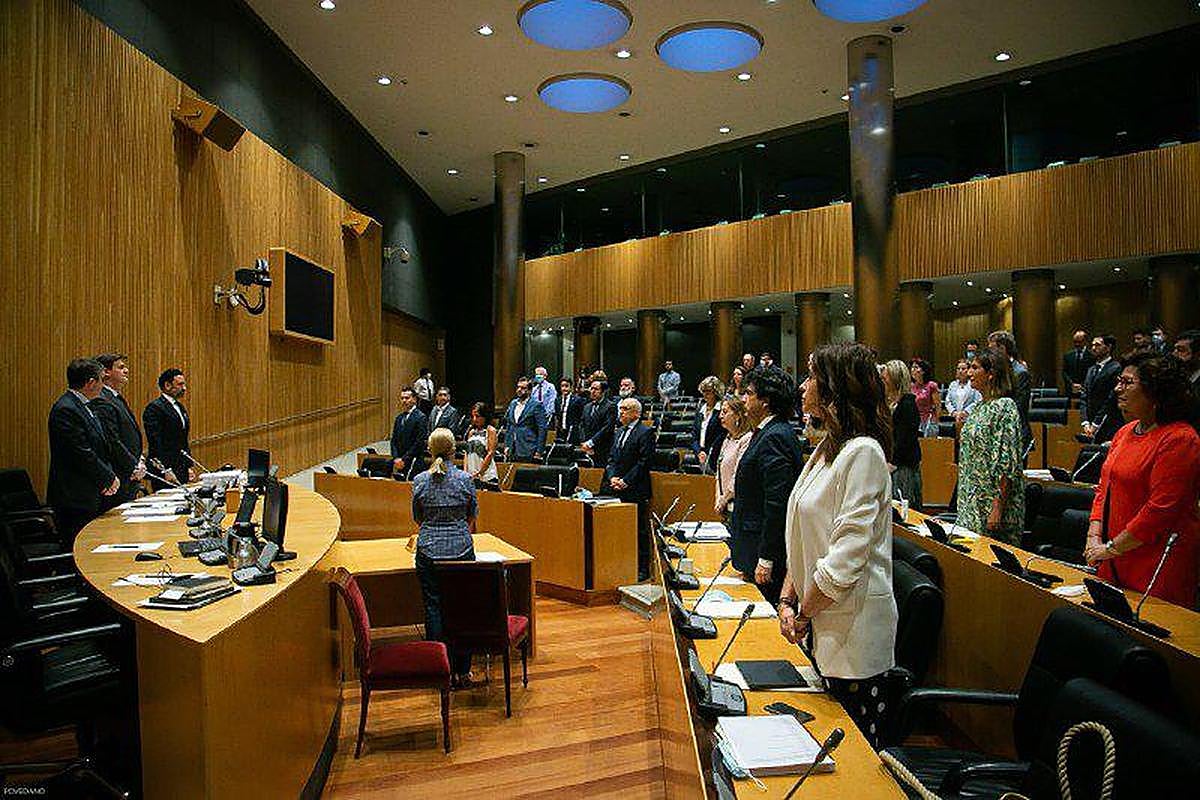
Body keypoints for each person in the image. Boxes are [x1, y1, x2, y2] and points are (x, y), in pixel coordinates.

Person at [778, 343, 896, 749]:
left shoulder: (864, 453)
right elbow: (803, 535)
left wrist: (802, 614)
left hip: (853, 636)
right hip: (820, 618)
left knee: (851, 762)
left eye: (812, 377)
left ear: (834, 388)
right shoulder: (828, 447)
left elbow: (844, 560)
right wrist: (787, 598)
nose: (803, 386)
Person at [1083, 353, 1199, 606]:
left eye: (1127, 382)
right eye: (1119, 381)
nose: (1118, 389)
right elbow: (1104, 489)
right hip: (1113, 555)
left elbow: (1161, 509)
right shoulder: (1125, 432)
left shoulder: (1180, 438)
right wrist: (1094, 538)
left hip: (1156, 562)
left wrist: (1111, 547)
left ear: (1155, 392)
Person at [730, 367, 805, 603]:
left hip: (765, 554)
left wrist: (766, 557)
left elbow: (777, 503)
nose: (743, 399)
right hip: (752, 546)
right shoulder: (766, 432)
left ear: (766, 401)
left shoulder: (775, 436)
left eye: (749, 393)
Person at [411, 428, 478, 685]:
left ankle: (439, 670)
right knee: (463, 607)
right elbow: (472, 515)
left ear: (430, 451)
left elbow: (417, 518)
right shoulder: (465, 479)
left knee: (433, 607)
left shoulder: (419, 481)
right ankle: (463, 670)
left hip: (428, 550)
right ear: (453, 451)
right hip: (461, 549)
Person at [956, 348, 1026, 544]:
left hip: (992, 503)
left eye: (975, 368)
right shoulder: (979, 407)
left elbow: (1007, 463)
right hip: (971, 498)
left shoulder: (1005, 407)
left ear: (991, 373)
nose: (969, 373)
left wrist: (997, 507)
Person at [47, 358, 119, 541]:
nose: (103, 385)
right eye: (102, 380)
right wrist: (108, 477)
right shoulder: (66, 409)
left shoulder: (83, 405)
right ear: (91, 382)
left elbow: (99, 446)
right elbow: (81, 452)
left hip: (90, 492)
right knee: (81, 545)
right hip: (75, 496)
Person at [601, 397, 656, 578]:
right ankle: (620, 564)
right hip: (616, 487)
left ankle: (642, 569)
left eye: (625, 409)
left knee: (638, 530)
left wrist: (626, 480)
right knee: (618, 529)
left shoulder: (645, 432)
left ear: (636, 413)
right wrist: (612, 477)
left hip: (635, 488)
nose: (621, 412)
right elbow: (611, 459)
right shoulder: (618, 432)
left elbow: (644, 462)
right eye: (621, 408)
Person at [91, 352, 145, 506]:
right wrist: (133, 465)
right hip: (118, 475)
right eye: (121, 367)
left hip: (129, 473)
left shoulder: (115, 397)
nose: (126, 371)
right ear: (106, 372)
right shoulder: (102, 399)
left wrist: (139, 459)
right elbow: (112, 440)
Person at [882, 360, 923, 511]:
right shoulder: (893, 403)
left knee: (903, 508)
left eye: (885, 378)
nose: (882, 381)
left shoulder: (907, 404)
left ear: (895, 379)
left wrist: (893, 462)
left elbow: (905, 438)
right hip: (895, 464)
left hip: (903, 466)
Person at [143, 367, 192, 485]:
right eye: (180, 384)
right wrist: (165, 469)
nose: (184, 388)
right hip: (166, 470)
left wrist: (189, 465)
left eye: (184, 384)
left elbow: (183, 439)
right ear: (167, 385)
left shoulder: (179, 407)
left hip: (181, 467)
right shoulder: (154, 408)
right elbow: (155, 442)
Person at [988, 330, 1032, 454]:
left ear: (1002, 348)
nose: (989, 354)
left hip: (1015, 435)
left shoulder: (1020, 373)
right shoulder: (995, 371)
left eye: (992, 349)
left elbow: (1018, 408)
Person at [713, 395, 752, 519]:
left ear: (737, 415)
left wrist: (725, 499)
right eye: (720, 412)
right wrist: (718, 498)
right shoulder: (727, 439)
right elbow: (719, 473)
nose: (720, 416)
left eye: (725, 412)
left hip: (739, 505)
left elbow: (738, 474)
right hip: (725, 505)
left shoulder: (747, 439)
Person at [1081, 334, 1122, 444]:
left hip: (1108, 422)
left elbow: (1110, 399)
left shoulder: (1116, 368)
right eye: (1092, 345)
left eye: (1098, 345)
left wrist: (1096, 423)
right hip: (1090, 423)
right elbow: (1084, 396)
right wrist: (1085, 422)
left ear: (1108, 347)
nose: (1093, 348)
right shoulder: (1091, 369)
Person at [503, 376, 547, 462]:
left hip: (529, 447)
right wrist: (507, 445)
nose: (519, 390)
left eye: (523, 388)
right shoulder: (513, 403)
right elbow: (509, 426)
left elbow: (542, 429)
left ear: (530, 391)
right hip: (512, 448)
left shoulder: (536, 405)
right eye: (518, 387)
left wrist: (539, 451)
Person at [390, 388, 429, 479]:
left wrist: (404, 459)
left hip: (413, 461)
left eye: (407, 398)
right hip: (399, 461)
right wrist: (396, 458)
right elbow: (394, 440)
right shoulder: (399, 418)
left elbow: (419, 442)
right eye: (402, 398)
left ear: (414, 399)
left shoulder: (421, 417)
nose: (404, 401)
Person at [692, 376, 726, 473]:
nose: (705, 394)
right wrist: (699, 452)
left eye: (708, 391)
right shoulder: (700, 410)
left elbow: (721, 435)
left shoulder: (721, 410)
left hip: (715, 455)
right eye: (703, 391)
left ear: (716, 392)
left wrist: (708, 452)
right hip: (700, 455)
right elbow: (694, 434)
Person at [579, 379, 616, 466]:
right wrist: (584, 442)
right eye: (591, 388)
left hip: (602, 448)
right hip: (586, 447)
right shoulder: (587, 406)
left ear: (603, 392)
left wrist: (591, 443)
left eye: (596, 389)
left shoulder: (610, 406)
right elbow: (581, 425)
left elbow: (607, 427)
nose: (592, 391)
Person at [463, 402, 499, 488]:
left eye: (477, 416)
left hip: (487, 475)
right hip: (471, 475)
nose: (474, 419)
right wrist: (465, 472)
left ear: (485, 416)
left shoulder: (490, 430)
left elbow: (490, 453)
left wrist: (480, 472)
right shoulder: (471, 432)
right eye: (473, 416)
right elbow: (466, 453)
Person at [1172, 329, 1200, 427]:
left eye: (1181, 350)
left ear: (1198, 354)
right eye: (1175, 349)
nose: (1174, 354)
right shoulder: (1176, 376)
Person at [909, 357, 940, 437]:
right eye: (912, 367)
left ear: (923, 371)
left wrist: (935, 420)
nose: (912, 370)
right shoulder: (910, 386)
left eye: (916, 367)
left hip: (929, 422)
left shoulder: (931, 385)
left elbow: (937, 406)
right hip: (914, 421)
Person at [1061, 329, 1094, 397]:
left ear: (1085, 341)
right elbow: (1064, 372)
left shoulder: (1092, 356)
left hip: (1086, 391)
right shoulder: (1068, 356)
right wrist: (1072, 384)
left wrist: (1081, 385)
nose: (1077, 344)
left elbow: (1092, 373)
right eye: (1075, 342)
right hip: (1070, 390)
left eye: (1079, 342)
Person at [553, 377, 584, 444]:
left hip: (573, 431)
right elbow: (557, 416)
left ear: (571, 387)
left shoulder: (577, 400)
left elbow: (581, 416)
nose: (564, 388)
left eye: (566, 386)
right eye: (562, 386)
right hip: (561, 431)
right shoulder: (558, 400)